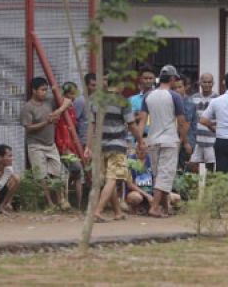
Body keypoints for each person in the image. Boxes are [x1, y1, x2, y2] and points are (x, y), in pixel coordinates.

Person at [86, 80, 144, 222]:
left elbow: (91, 126)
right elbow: (131, 125)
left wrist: (88, 146)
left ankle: (117, 212)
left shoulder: (96, 101)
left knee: (108, 179)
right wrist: (141, 141)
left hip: (100, 145)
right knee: (113, 179)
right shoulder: (123, 102)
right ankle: (98, 211)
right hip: (117, 144)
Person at [138, 64, 191, 218]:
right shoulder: (175, 96)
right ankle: (154, 207)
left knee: (158, 174)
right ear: (173, 79)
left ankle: (165, 207)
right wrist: (185, 140)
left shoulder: (148, 96)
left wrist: (140, 140)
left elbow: (142, 121)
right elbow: (181, 121)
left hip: (153, 139)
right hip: (169, 139)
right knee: (165, 174)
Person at [20, 76, 72, 211]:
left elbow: (67, 100)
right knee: (41, 176)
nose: (45, 93)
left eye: (46, 90)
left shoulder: (50, 101)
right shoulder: (28, 107)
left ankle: (61, 200)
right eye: (42, 90)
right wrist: (46, 122)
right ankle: (49, 203)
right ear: (34, 91)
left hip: (50, 144)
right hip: (35, 145)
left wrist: (58, 111)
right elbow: (28, 127)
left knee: (57, 171)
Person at [126, 141, 181, 214]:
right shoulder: (130, 160)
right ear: (136, 149)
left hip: (152, 191)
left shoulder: (152, 160)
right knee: (136, 198)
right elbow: (130, 184)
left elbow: (157, 179)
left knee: (177, 198)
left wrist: (156, 195)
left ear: (147, 149)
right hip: (136, 191)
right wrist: (146, 195)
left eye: (144, 149)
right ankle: (135, 208)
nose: (142, 152)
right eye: (139, 149)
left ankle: (155, 207)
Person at [56, 81, 85, 210]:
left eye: (74, 94)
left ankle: (79, 205)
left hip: (73, 145)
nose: (73, 97)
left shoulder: (72, 108)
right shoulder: (60, 106)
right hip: (63, 145)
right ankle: (64, 201)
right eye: (71, 94)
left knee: (78, 173)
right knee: (75, 169)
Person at [189, 72, 218, 172]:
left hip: (212, 141)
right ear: (200, 83)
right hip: (197, 140)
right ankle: (196, 188)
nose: (207, 84)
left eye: (209, 82)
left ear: (213, 83)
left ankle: (208, 188)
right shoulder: (193, 98)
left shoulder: (217, 99)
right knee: (193, 166)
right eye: (204, 82)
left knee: (210, 168)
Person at [176, 75, 198, 170]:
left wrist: (183, 143)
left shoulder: (188, 103)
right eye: (174, 87)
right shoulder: (173, 101)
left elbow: (185, 125)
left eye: (179, 87)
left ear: (185, 87)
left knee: (184, 170)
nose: (176, 90)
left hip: (186, 141)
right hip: (174, 141)